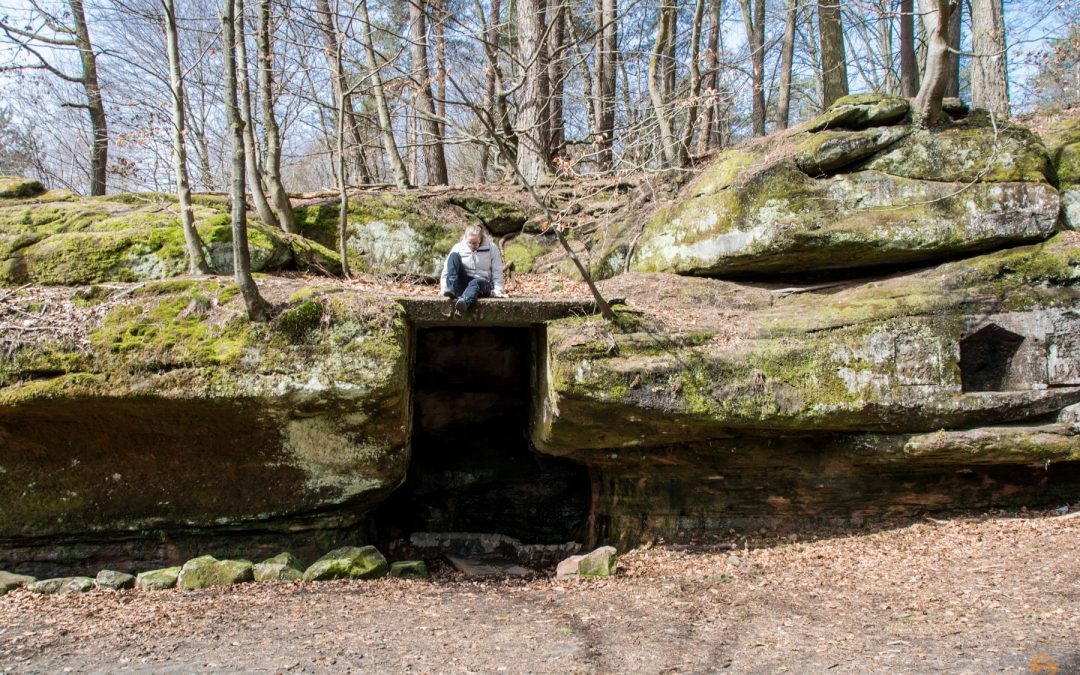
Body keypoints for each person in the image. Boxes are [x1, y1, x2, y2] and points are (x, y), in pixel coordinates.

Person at [439, 223, 508, 315]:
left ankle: (464, 303)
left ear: (481, 239)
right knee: (453, 256)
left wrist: (498, 290)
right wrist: (444, 288)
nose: (472, 245)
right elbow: (447, 270)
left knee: (476, 282)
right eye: (469, 243)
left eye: (475, 243)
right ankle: (451, 288)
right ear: (465, 238)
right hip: (464, 283)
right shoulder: (458, 247)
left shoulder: (491, 248)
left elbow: (497, 271)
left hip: (483, 284)